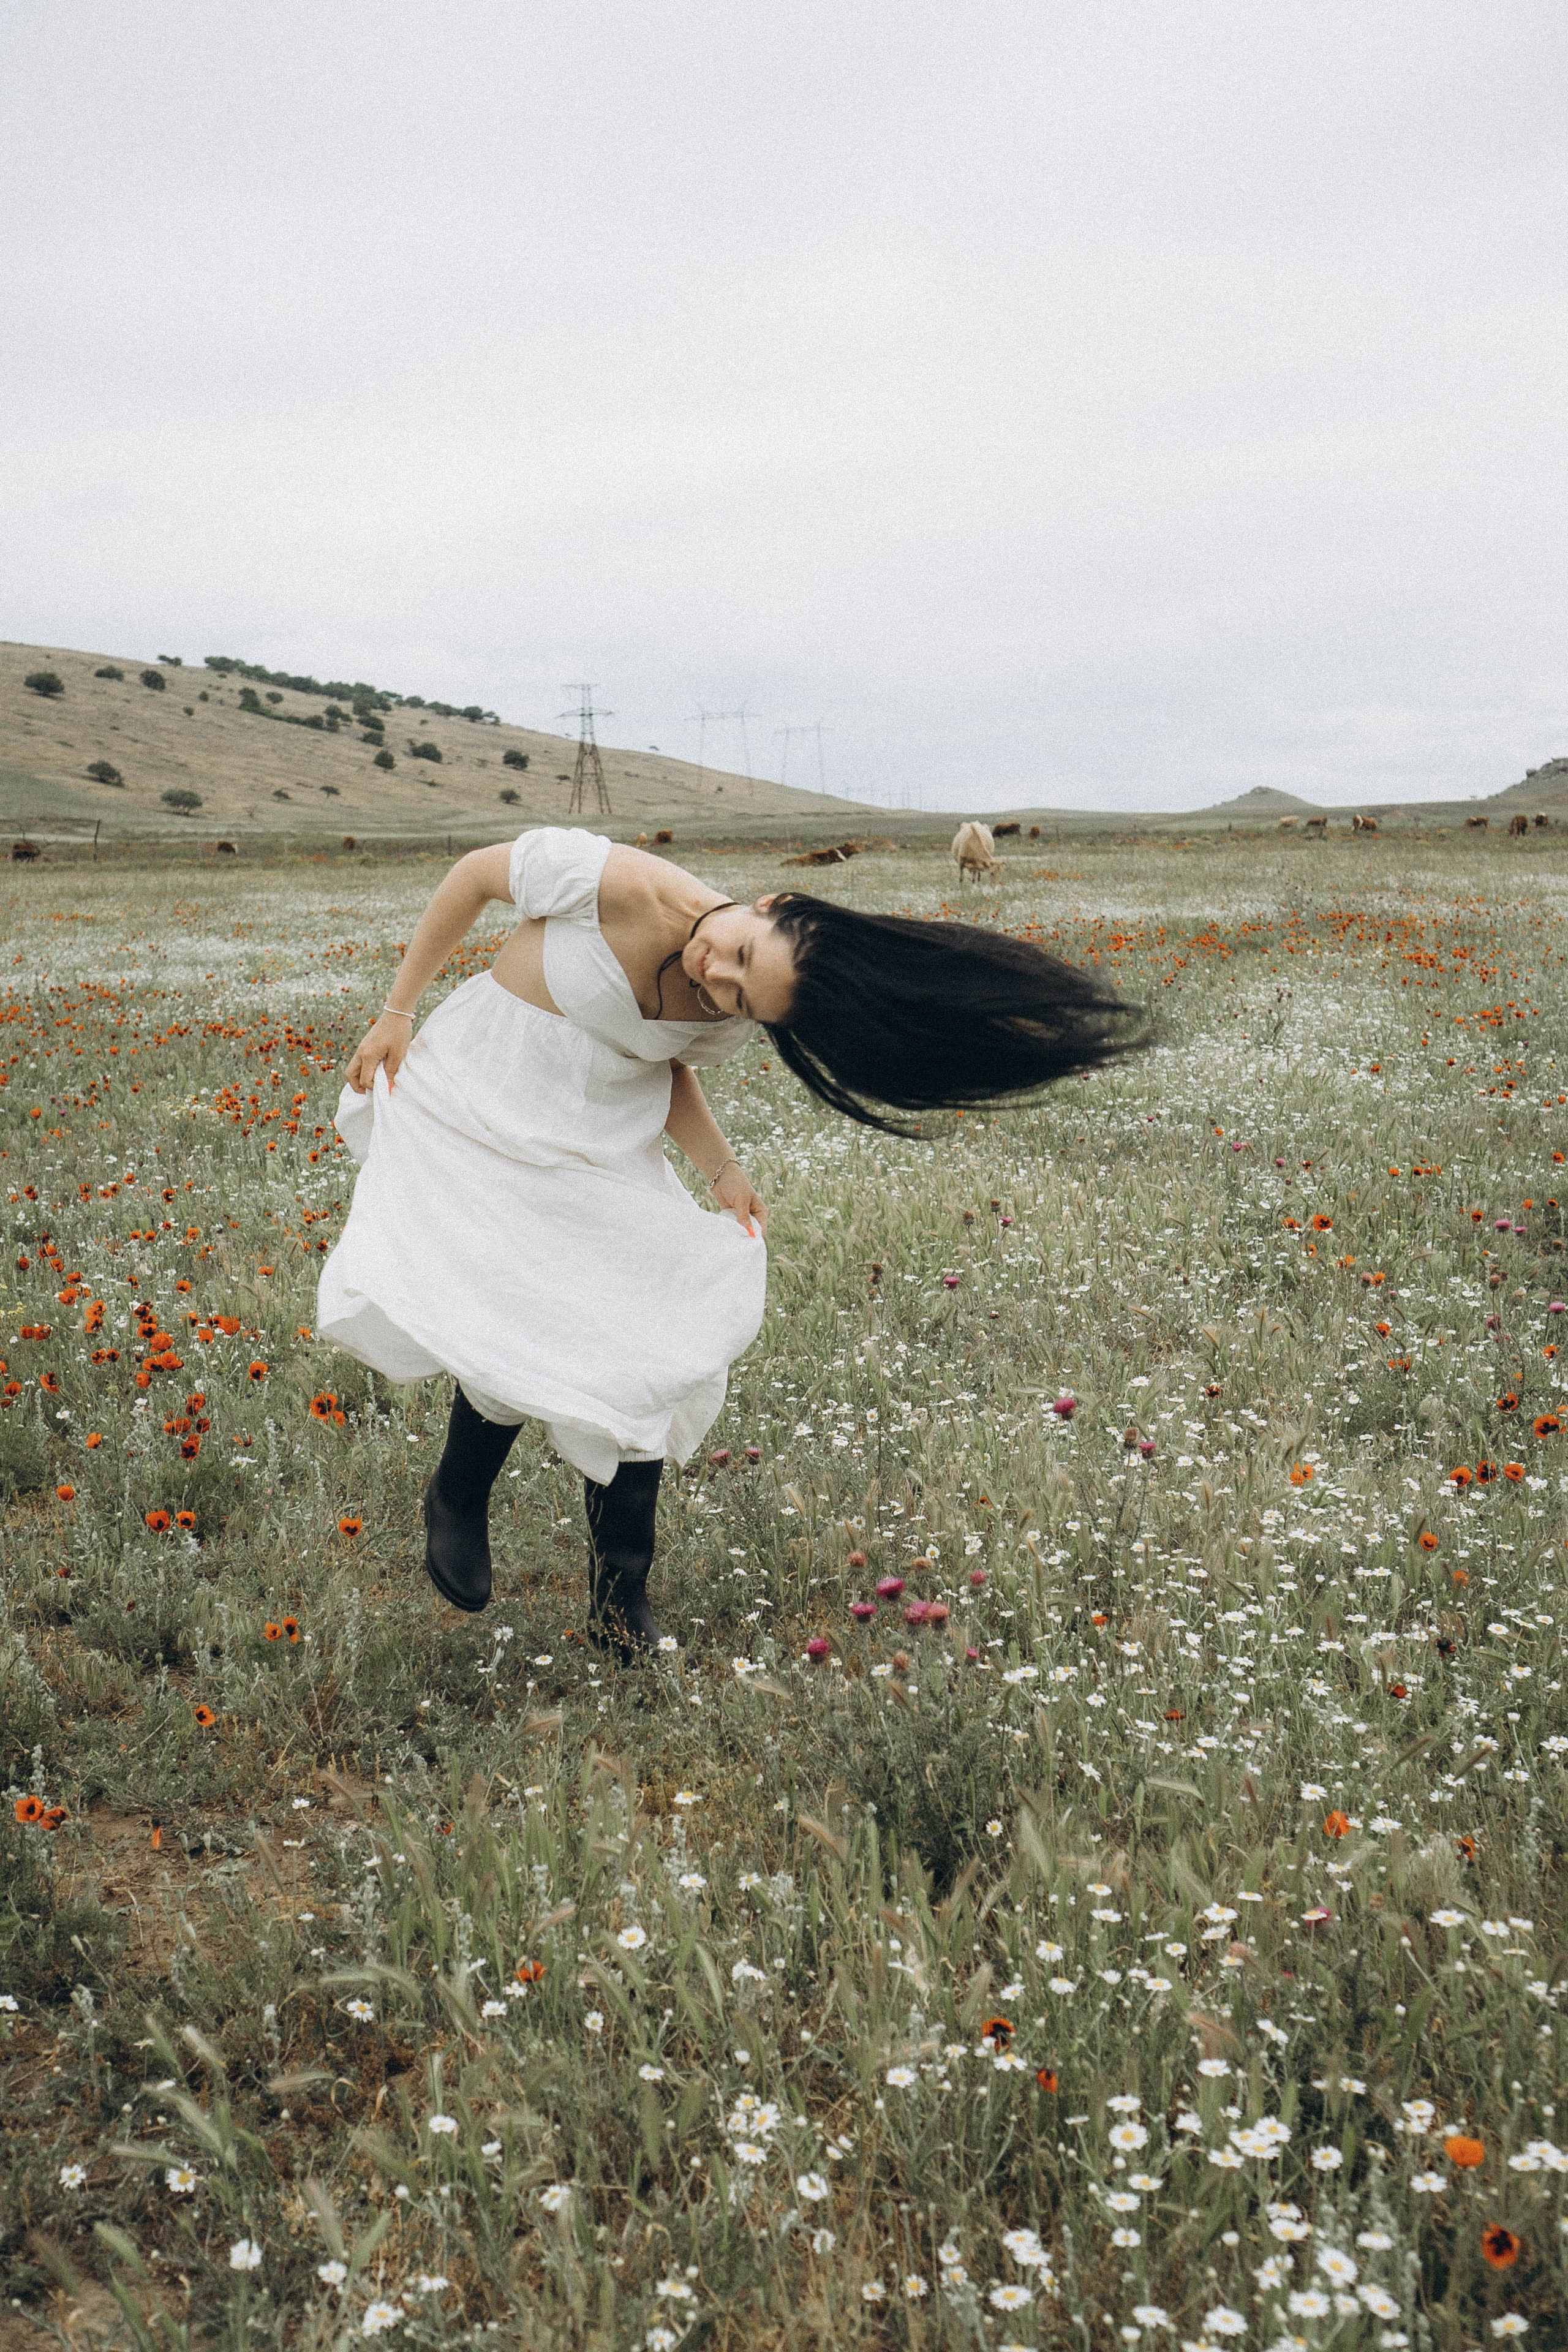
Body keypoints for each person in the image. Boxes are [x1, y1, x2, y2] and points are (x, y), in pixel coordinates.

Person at [318, 826, 1142, 1659]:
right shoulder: (615, 882)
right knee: (510, 1305)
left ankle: (620, 1598)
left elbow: (667, 1066)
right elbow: (473, 877)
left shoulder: (729, 1015)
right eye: (740, 955)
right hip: (490, 1101)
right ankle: (459, 1494)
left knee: (658, 1335)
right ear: (771, 905)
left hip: (600, 1139)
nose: (718, 977)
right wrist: (398, 1011)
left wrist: (721, 1170)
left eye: (743, 998)